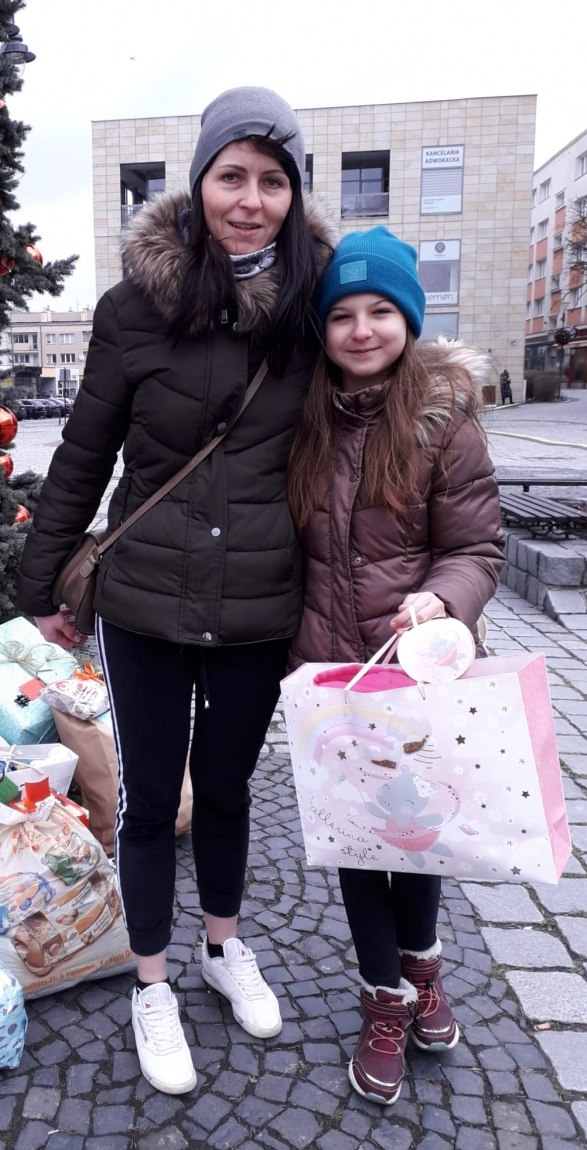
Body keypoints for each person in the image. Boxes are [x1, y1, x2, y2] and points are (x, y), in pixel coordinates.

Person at [17, 87, 336, 1094]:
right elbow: (82, 453)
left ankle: (222, 947)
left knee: (233, 791)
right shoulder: (132, 309)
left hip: (258, 604)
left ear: (295, 193)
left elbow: (378, 412)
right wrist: (43, 581)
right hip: (149, 601)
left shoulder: (315, 305)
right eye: (230, 176)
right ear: (199, 186)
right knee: (152, 801)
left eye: (271, 180)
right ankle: (151, 981)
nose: (250, 199)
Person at [286, 227, 504, 1107]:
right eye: (343, 313)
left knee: (414, 836)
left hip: (415, 672)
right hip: (329, 674)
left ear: (409, 320)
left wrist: (444, 598)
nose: (363, 329)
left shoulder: (442, 421)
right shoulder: (302, 417)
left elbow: (478, 544)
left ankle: (423, 969)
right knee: (352, 840)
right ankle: (384, 997)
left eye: (382, 310)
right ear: (324, 327)